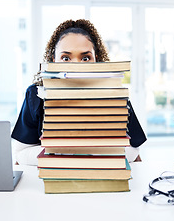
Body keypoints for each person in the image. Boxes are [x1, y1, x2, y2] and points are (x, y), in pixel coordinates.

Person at [11, 19, 146, 165]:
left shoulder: (115, 94)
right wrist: (61, 151)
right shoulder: (36, 95)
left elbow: (134, 149)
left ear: (96, 60)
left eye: (85, 58)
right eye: (66, 58)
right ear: (53, 60)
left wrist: (87, 150)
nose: (75, 65)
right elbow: (21, 152)